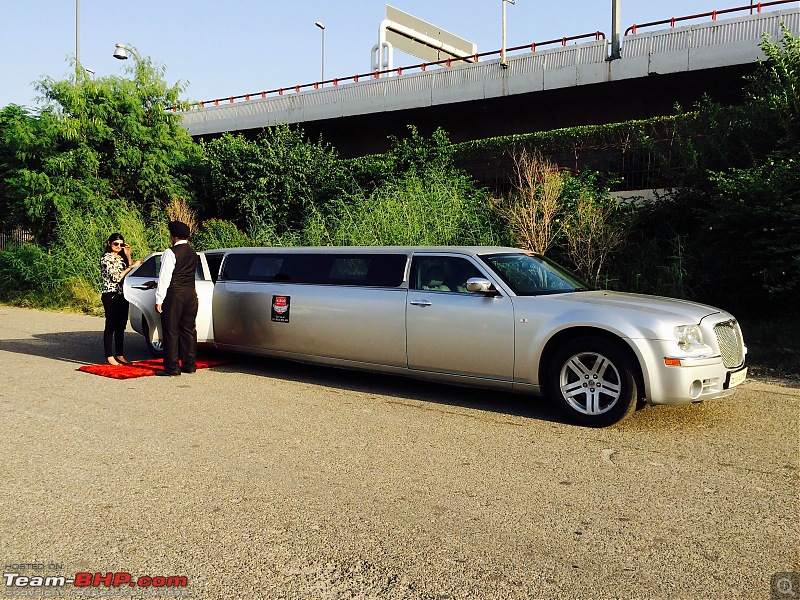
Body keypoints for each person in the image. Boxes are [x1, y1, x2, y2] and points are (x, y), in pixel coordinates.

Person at [154, 220, 199, 377]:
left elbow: (164, 277)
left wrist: (159, 299)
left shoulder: (170, 252)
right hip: (191, 294)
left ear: (173, 237)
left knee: (171, 330)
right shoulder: (193, 253)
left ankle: (172, 367)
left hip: (175, 294)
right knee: (188, 329)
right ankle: (190, 364)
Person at [100, 233, 143, 365]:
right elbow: (116, 277)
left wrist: (128, 255)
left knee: (121, 325)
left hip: (122, 294)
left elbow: (129, 273)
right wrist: (131, 266)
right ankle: (109, 355)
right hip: (110, 294)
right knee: (111, 325)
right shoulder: (106, 258)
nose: (118, 246)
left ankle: (120, 354)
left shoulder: (121, 258)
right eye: (116, 244)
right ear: (109, 243)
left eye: (121, 244)